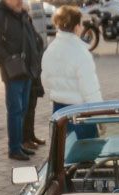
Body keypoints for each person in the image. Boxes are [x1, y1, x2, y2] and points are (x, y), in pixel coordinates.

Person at [0, 0, 43, 160]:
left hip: (27, 71)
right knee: (15, 111)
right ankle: (14, 149)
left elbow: (32, 39)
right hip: (13, 73)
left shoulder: (22, 15)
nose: (19, 1)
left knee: (23, 110)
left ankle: (19, 145)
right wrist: (10, 60)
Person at [41, 2, 101, 136]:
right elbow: (90, 90)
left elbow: (45, 82)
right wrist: (100, 118)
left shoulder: (50, 49)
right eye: (81, 24)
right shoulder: (81, 52)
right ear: (76, 27)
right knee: (85, 154)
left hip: (59, 112)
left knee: (62, 153)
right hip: (81, 113)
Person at [23, 0, 49, 148]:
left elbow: (36, 42)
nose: (28, 12)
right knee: (25, 108)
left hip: (34, 70)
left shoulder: (28, 22)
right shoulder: (19, 24)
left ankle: (31, 136)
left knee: (31, 106)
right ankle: (24, 139)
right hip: (26, 71)